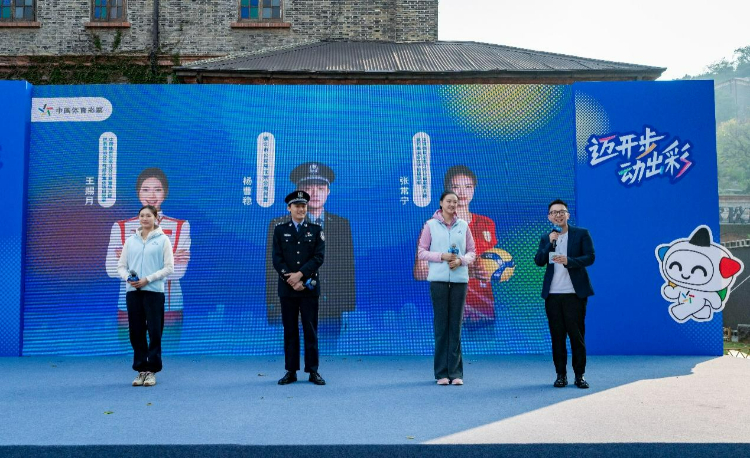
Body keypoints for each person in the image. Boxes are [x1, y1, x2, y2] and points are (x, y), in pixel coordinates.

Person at [266, 162, 354, 339]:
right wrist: (274, 310)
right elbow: (273, 269)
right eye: (308, 188)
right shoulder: (279, 225)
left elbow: (346, 269)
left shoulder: (341, 225)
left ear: (328, 192)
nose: (314, 194)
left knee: (329, 353)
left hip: (330, 311)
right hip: (293, 307)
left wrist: (346, 310)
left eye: (320, 188)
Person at [106, 168, 190, 340]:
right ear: (138, 193)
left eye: (157, 189)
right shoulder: (120, 227)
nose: (151, 195)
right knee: (129, 353)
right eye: (145, 189)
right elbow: (111, 270)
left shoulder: (181, 226)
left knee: (169, 353)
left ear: (165, 193)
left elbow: (178, 272)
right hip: (128, 307)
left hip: (168, 307)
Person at [533, 199, 595, 389]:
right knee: (557, 336)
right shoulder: (547, 237)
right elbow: (539, 261)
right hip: (553, 295)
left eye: (561, 212)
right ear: (549, 217)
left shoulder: (581, 234)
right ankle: (561, 375)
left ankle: (579, 376)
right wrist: (549, 243)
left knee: (577, 336)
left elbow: (590, 257)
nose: (558, 215)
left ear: (567, 215)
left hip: (574, 294)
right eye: (554, 212)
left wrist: (569, 260)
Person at [417, 191, 476, 385]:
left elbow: (472, 252)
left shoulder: (463, 225)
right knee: (442, 326)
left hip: (459, 281)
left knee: (456, 326)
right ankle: (441, 373)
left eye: (455, 202)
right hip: (439, 281)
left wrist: (461, 261)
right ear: (441, 203)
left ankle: (456, 373)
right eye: (449, 201)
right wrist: (441, 256)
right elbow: (422, 252)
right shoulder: (430, 225)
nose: (452, 204)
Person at [117, 205, 174, 387]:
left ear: (156, 218)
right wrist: (128, 278)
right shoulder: (131, 241)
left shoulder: (163, 240)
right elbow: (121, 266)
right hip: (133, 292)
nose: (145, 218)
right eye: (142, 215)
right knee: (136, 331)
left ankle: (152, 371)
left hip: (154, 292)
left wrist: (148, 279)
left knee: (155, 331)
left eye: (148, 215)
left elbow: (169, 268)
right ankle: (141, 370)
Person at [273, 190, 326, 386]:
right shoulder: (279, 230)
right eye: (297, 206)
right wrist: (291, 279)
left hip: (308, 288)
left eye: (303, 206)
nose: (301, 209)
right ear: (289, 208)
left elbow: (318, 258)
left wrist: (300, 276)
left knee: (310, 330)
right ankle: (291, 371)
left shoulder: (316, 229)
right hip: (288, 289)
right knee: (290, 330)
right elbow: (277, 259)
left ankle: (313, 371)